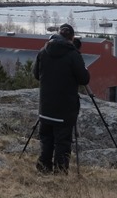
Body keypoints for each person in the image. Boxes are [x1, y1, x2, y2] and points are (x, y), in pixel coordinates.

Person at [33, 23, 90, 174]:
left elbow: (36, 75)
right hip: (65, 109)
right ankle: (59, 173)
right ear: (71, 38)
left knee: (46, 138)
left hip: (45, 107)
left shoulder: (43, 51)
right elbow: (84, 79)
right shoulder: (73, 55)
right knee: (62, 142)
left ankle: (43, 168)